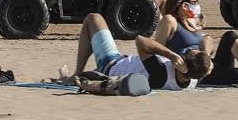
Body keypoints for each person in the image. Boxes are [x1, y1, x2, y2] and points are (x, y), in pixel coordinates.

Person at [62, 13, 212, 90]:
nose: (186, 51)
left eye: (187, 53)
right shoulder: (193, 79)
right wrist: (207, 56)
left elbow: (140, 40)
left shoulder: (161, 75)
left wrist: (171, 55)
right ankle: (72, 75)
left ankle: (76, 74)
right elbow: (208, 39)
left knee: (93, 18)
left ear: (183, 66)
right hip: (124, 61)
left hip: (110, 64)